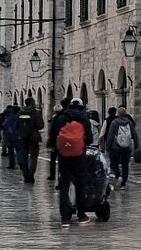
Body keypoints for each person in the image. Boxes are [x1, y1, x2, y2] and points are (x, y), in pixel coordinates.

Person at [50, 97, 93, 226]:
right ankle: (81, 216)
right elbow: (90, 139)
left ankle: (65, 218)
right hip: (79, 156)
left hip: (64, 156)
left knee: (64, 186)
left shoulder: (60, 117)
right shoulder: (84, 118)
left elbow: (52, 137)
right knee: (80, 185)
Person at [104, 106, 138, 188]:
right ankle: (123, 182)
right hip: (127, 147)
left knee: (115, 163)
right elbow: (134, 134)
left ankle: (118, 175)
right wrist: (136, 145)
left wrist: (108, 147)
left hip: (116, 147)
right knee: (125, 164)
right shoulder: (129, 122)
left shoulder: (114, 122)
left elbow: (110, 136)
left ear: (118, 113)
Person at [15, 97, 45, 183]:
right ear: (32, 103)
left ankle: (25, 176)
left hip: (23, 138)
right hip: (33, 137)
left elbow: (16, 126)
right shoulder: (36, 113)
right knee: (33, 156)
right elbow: (40, 126)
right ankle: (31, 173)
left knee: (24, 157)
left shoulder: (20, 113)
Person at [47, 101, 66, 184]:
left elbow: (52, 132)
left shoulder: (54, 118)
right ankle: (60, 178)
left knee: (53, 160)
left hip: (56, 142)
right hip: (64, 142)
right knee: (62, 162)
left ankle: (52, 176)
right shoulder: (66, 117)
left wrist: (51, 143)